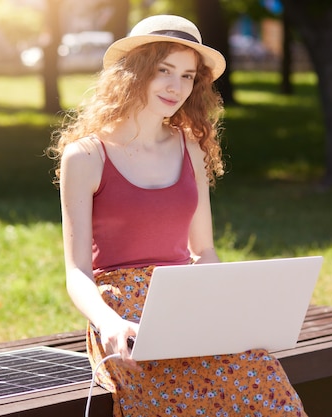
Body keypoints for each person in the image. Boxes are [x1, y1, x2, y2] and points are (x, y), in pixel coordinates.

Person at [48, 14, 307, 417]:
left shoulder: (191, 148)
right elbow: (77, 272)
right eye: (163, 71)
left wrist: (226, 310)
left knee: (263, 381)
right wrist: (110, 323)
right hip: (124, 319)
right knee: (178, 400)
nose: (176, 86)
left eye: (187, 76)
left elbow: (203, 250)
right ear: (133, 73)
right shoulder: (85, 155)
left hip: (185, 304)